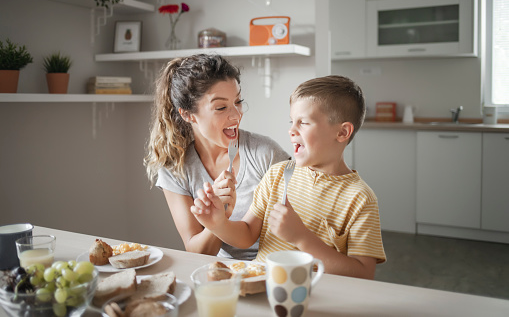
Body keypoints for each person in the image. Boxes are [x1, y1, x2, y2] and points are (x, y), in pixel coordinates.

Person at [191, 75, 386, 279]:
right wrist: (218, 224)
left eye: (303, 123)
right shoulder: (278, 174)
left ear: (342, 132)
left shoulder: (360, 198)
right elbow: (247, 233)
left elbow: (363, 274)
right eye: (292, 121)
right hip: (262, 287)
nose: (291, 130)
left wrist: (301, 238)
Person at [144, 54, 290, 261]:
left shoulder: (266, 154)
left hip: (275, 268)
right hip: (220, 272)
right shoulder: (175, 168)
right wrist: (219, 217)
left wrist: (220, 221)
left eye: (238, 102)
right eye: (221, 107)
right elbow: (197, 252)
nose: (236, 115)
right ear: (188, 115)